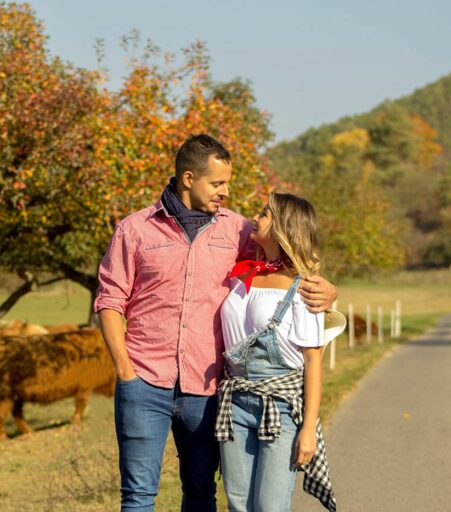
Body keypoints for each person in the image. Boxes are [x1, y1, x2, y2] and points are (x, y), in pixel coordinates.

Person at [94, 134, 337, 511]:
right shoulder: (134, 230)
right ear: (188, 178)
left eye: (228, 184)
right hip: (143, 381)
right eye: (217, 183)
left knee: (201, 493)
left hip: (207, 389)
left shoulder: (239, 231)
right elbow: (109, 301)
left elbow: (286, 262)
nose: (225, 192)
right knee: (138, 495)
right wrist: (125, 372)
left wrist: (328, 290)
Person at [215, 192, 336, 511]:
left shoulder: (304, 289)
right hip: (235, 402)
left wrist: (308, 428)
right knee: (238, 504)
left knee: (269, 506)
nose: (255, 217)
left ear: (285, 227)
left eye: (265, 214)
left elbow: (313, 362)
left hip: (281, 407)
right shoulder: (242, 276)